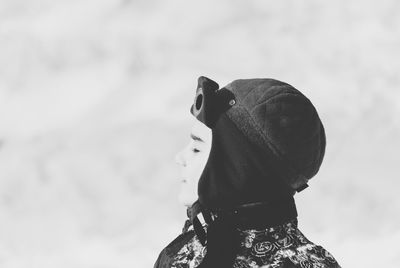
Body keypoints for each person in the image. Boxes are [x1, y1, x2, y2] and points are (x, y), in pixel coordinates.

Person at [154, 76, 341, 268]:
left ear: (237, 165)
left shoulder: (181, 257)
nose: (180, 157)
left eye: (196, 149)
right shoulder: (181, 253)